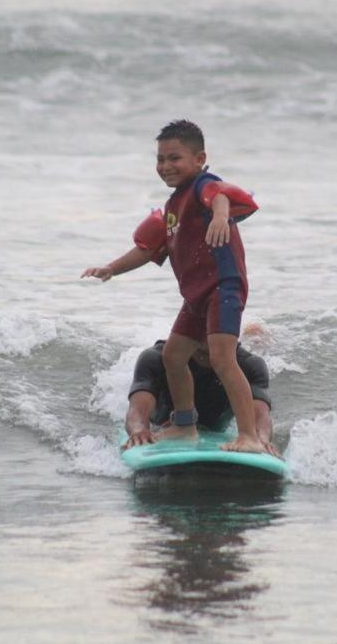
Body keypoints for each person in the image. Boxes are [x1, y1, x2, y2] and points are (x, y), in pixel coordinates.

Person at [81, 119, 266, 453]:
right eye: (161, 159)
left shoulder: (203, 188)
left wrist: (222, 218)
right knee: (173, 355)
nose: (166, 166)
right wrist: (111, 268)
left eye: (175, 158)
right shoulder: (172, 210)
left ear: (199, 158)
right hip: (195, 297)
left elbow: (221, 195)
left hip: (223, 288)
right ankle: (185, 426)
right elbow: (146, 249)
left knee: (224, 358)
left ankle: (249, 435)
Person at [122, 340, 279, 456]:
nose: (209, 339)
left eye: (215, 332)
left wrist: (262, 438)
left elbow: (260, 413)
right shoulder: (155, 358)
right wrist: (139, 430)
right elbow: (137, 408)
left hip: (213, 429)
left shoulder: (249, 365)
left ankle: (256, 334)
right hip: (163, 427)